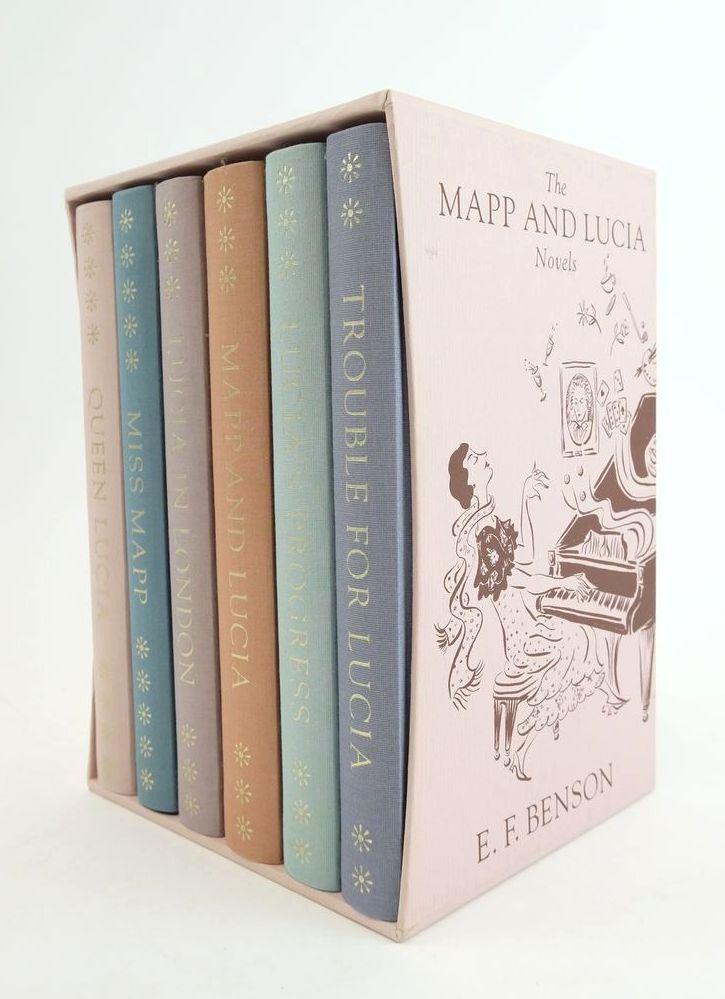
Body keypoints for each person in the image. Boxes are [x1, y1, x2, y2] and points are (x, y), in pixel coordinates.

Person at [435, 443, 623, 780]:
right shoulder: (481, 532)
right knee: (573, 641)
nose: (484, 456)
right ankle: (522, 743)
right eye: (475, 459)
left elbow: (527, 555)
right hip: (521, 639)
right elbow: (522, 581)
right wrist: (564, 582)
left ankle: (604, 701)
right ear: (470, 479)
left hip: (531, 621)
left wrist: (525, 499)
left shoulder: (489, 519)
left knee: (581, 634)